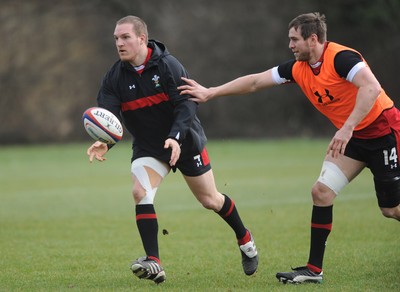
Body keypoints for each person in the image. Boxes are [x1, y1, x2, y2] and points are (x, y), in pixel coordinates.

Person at [178, 12, 400, 284]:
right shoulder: (298, 69)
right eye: (290, 40)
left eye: (295, 39)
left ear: (313, 39)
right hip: (353, 138)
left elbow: (372, 88)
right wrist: (211, 91)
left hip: (384, 132)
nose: (290, 45)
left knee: (391, 209)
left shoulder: (341, 58)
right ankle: (313, 271)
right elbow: (256, 82)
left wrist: (347, 127)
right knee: (321, 192)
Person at [86, 15, 258, 285]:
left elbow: (187, 105)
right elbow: (109, 116)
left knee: (210, 200)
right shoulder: (114, 77)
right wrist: (104, 140)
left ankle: (244, 238)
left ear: (142, 39)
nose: (119, 43)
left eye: (125, 37)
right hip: (149, 147)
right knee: (139, 192)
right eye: (116, 38)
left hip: (185, 141)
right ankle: (153, 261)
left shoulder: (168, 66)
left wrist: (176, 138)